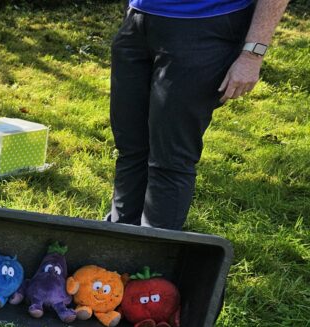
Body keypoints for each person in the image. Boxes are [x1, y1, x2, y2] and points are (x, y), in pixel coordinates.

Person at [107, 0, 290, 230]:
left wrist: (253, 54)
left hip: (204, 30)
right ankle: (116, 239)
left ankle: (151, 254)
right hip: (138, 22)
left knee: (169, 158)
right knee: (130, 149)